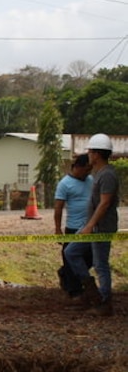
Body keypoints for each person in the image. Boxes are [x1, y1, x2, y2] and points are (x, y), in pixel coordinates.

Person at [64, 133, 119, 316]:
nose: (88, 154)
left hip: (101, 227)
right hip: (92, 225)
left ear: (96, 154)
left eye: (90, 151)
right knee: (71, 251)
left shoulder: (108, 175)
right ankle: (92, 294)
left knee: (100, 264)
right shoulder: (100, 174)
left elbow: (105, 203)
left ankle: (104, 302)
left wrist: (90, 226)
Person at [53, 154, 92, 299]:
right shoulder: (65, 184)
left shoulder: (90, 180)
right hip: (73, 227)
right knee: (70, 257)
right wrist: (58, 229)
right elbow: (58, 208)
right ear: (78, 167)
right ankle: (74, 290)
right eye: (86, 169)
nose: (88, 173)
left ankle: (65, 273)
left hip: (89, 227)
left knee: (90, 257)